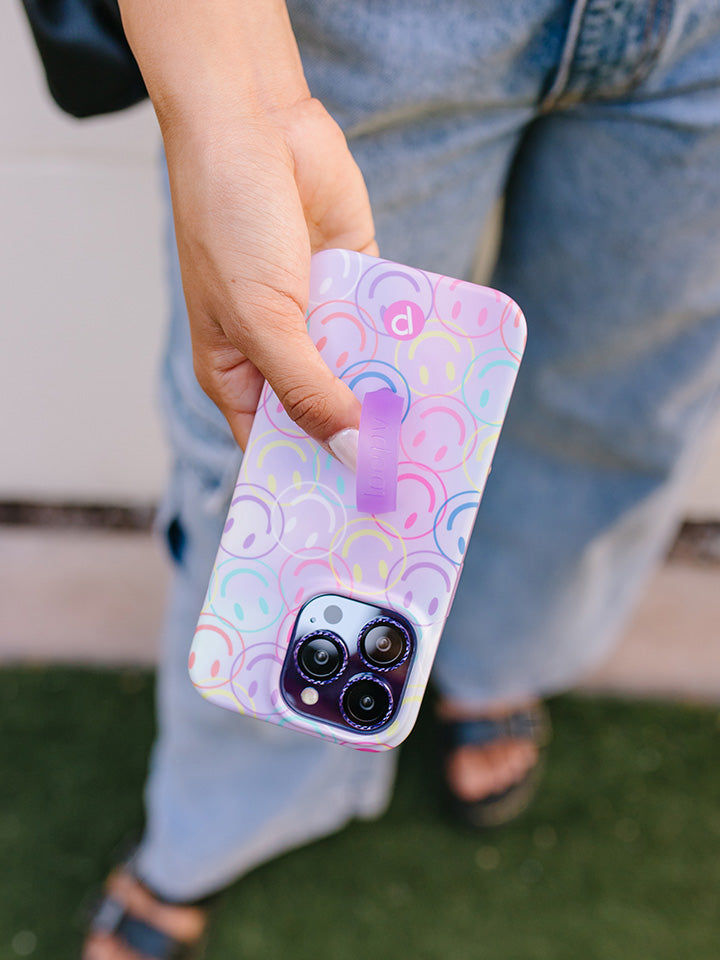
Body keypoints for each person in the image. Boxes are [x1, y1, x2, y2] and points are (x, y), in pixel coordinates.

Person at [83, 0, 720, 956]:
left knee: (611, 408)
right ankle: (229, 807)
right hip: (377, 26)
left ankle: (494, 659)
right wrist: (235, 103)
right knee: (289, 449)